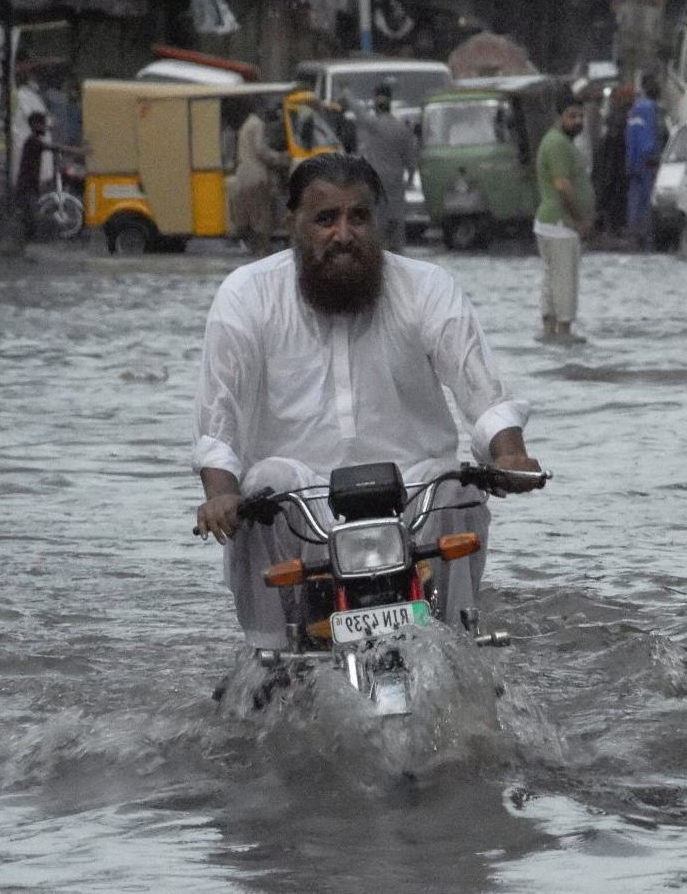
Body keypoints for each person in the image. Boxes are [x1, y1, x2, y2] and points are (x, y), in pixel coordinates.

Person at [192, 153, 547, 651]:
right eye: (325, 219)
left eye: (358, 217)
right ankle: (269, 657)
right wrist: (221, 495)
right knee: (263, 486)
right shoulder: (246, 296)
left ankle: (458, 647)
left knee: (460, 488)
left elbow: (484, 393)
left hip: (412, 502)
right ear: (292, 223)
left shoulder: (428, 288)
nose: (344, 234)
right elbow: (218, 427)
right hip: (302, 511)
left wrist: (509, 456)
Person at [535, 99, 594, 343]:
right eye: (572, 116)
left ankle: (549, 330)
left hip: (549, 223)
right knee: (565, 281)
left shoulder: (556, 141)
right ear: (559, 116)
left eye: (581, 116)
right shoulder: (558, 144)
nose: (578, 121)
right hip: (561, 224)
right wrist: (580, 219)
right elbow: (562, 185)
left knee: (551, 278)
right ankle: (565, 332)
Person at [352, 81, 420, 251]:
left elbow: (358, 112)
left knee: (377, 227)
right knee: (397, 225)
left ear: (376, 102)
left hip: (375, 184)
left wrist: (345, 93)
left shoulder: (373, 125)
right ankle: (397, 257)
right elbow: (411, 162)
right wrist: (409, 181)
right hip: (396, 184)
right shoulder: (402, 129)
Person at [227, 101, 290, 254]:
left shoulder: (246, 124)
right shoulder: (258, 124)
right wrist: (280, 157)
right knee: (262, 217)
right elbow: (261, 150)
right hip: (257, 175)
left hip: (243, 175)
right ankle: (263, 253)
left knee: (250, 216)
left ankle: (254, 250)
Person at [624, 75, 663, 248]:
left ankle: (635, 234)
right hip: (647, 163)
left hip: (633, 161)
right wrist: (654, 156)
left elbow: (631, 135)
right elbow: (649, 137)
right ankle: (645, 236)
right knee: (647, 201)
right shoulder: (650, 109)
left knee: (635, 200)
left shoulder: (635, 109)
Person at [595, 82, 633, 238]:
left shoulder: (614, 116)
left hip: (612, 166)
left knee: (611, 195)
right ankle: (613, 226)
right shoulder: (621, 117)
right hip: (616, 166)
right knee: (615, 196)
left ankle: (610, 225)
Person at [15, 111, 49, 237]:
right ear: (35, 125)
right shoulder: (33, 141)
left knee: (29, 215)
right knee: (30, 215)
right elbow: (54, 147)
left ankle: (27, 240)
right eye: (43, 124)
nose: (45, 128)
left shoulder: (33, 140)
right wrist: (79, 151)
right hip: (27, 185)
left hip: (30, 184)